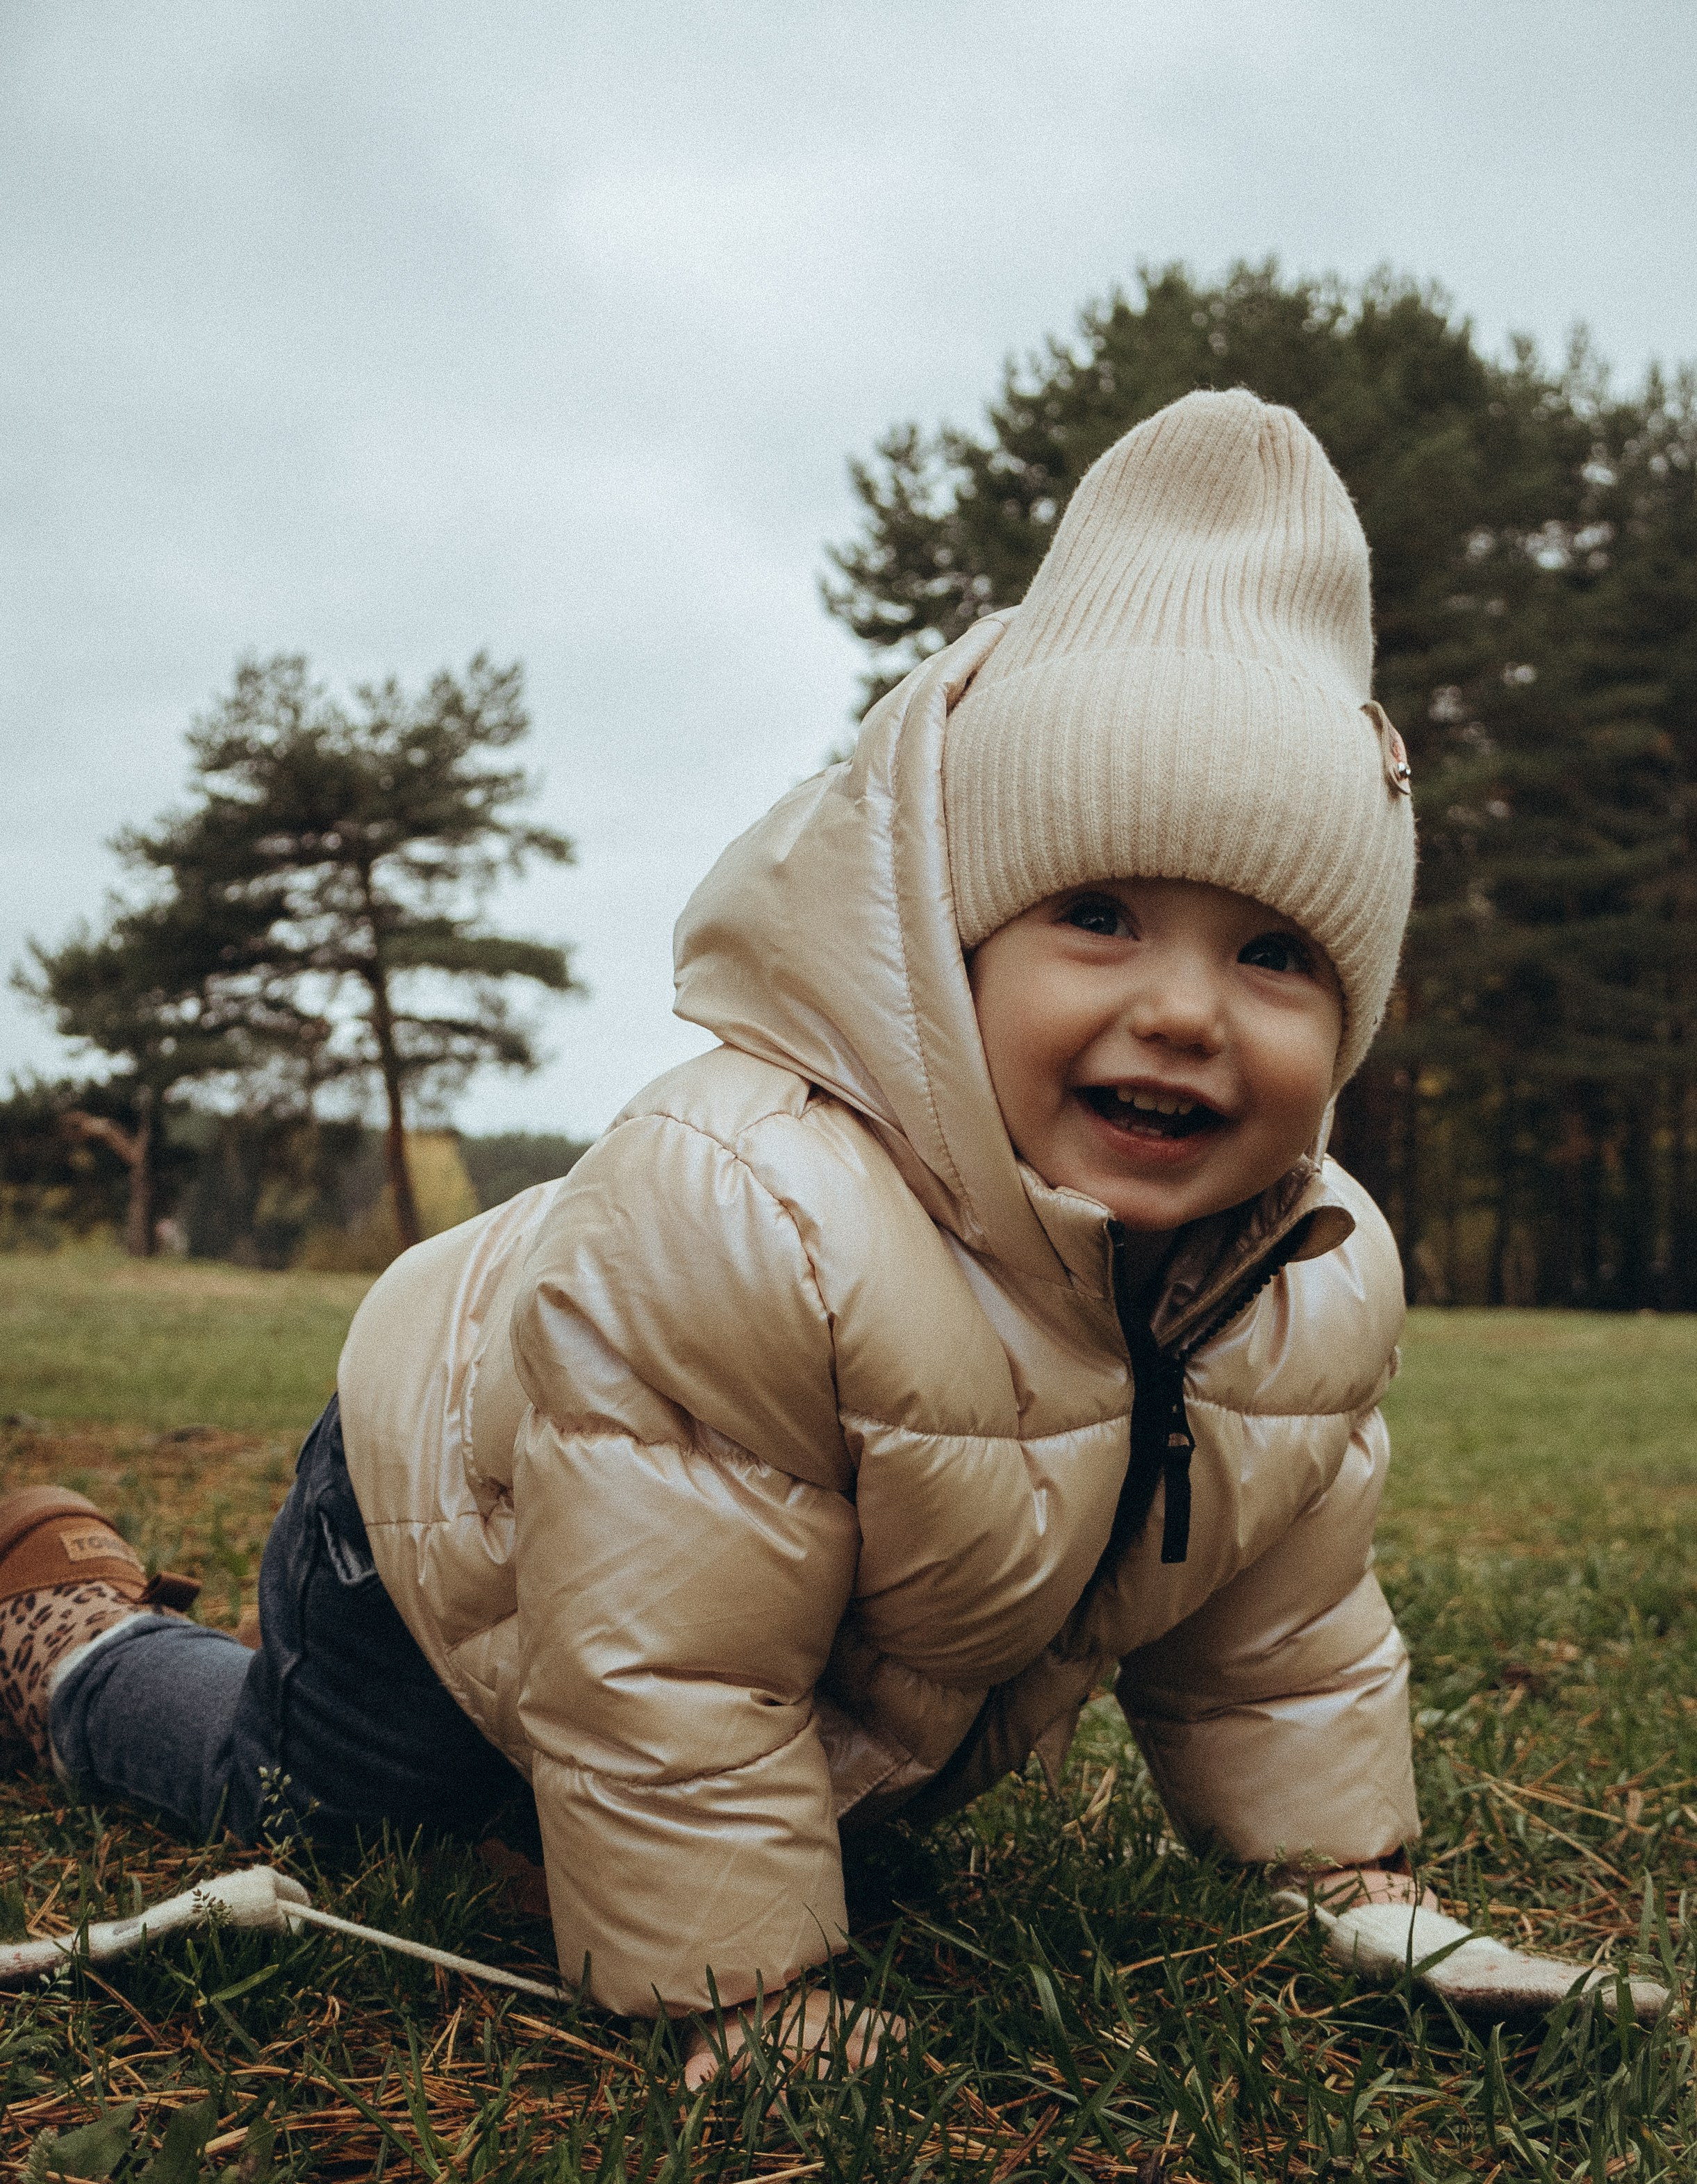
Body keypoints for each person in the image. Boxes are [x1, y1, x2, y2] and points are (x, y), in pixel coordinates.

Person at [0, 389, 1431, 2082]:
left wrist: (1341, 1882)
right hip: (448, 1534)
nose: (1184, 1009)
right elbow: (660, 1650)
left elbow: (1272, 1636)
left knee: (650, 1781)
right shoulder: (754, 1208)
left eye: (1274, 953)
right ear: (948, 943)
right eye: (1098, 917)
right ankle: (66, 1630)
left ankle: (569, 1835)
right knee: (304, 1800)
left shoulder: (1305, 1275)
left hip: (732, 1640)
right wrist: (738, 1987)